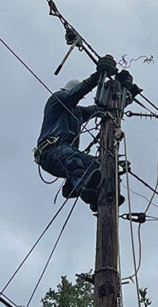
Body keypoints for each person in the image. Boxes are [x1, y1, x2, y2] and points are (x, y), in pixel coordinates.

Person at [34, 55, 118, 210]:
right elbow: (76, 94)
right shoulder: (56, 100)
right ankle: (81, 187)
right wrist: (98, 76)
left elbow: (97, 110)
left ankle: (96, 198)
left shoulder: (77, 112)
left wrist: (122, 97)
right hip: (51, 152)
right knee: (73, 159)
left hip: (65, 155)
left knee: (98, 164)